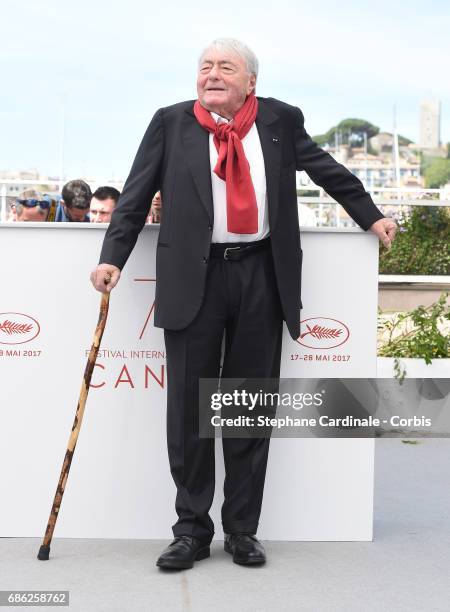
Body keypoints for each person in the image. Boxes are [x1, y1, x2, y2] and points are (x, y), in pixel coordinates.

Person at [90, 37, 397, 570]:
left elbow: (327, 171)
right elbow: (135, 195)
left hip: (261, 272)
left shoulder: (279, 121)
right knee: (189, 410)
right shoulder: (171, 123)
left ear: (250, 81)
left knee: (248, 406)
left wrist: (369, 214)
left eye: (225, 67)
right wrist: (112, 256)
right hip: (194, 277)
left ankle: (242, 530)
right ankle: (189, 530)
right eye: (204, 66)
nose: (212, 74)